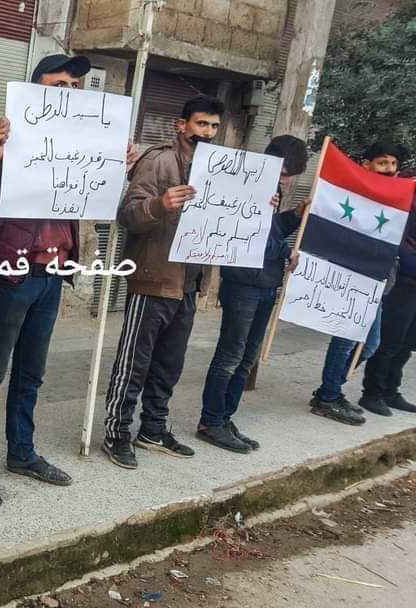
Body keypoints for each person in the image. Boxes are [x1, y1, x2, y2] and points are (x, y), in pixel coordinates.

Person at [0, 54, 91, 507]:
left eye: (74, 85)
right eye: (58, 83)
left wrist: (115, 167)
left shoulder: (82, 140)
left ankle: (22, 453)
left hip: (53, 274)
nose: (67, 91)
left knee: (32, 373)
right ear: (34, 89)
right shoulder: (6, 135)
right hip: (11, 273)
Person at [101, 94, 225, 470]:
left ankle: (153, 429)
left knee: (169, 364)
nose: (208, 132)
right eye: (201, 124)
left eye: (215, 126)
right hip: (153, 278)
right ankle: (117, 433)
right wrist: (160, 205)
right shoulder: (158, 160)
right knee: (133, 363)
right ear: (182, 124)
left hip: (188, 282)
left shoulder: (218, 168)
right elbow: (127, 214)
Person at [196, 135, 309, 452]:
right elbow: (249, 236)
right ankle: (211, 421)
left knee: (246, 359)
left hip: (266, 283)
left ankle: (224, 417)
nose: (284, 180)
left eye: (289, 176)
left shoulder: (272, 189)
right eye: (283, 173)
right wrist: (286, 254)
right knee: (230, 356)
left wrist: (295, 216)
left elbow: (269, 231)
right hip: (243, 282)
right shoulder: (244, 182)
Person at [309, 141, 410, 422]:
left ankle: (329, 389)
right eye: (382, 163)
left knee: (370, 343)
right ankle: (328, 396)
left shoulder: (396, 197)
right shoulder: (354, 192)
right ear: (366, 164)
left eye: (393, 164)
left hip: (377, 280)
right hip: (351, 276)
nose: (390, 169)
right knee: (345, 339)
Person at [359, 145, 416, 417]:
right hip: (402, 281)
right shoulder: (404, 193)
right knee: (390, 341)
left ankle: (391, 390)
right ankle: (373, 393)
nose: (390, 168)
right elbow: (396, 238)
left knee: (407, 343)